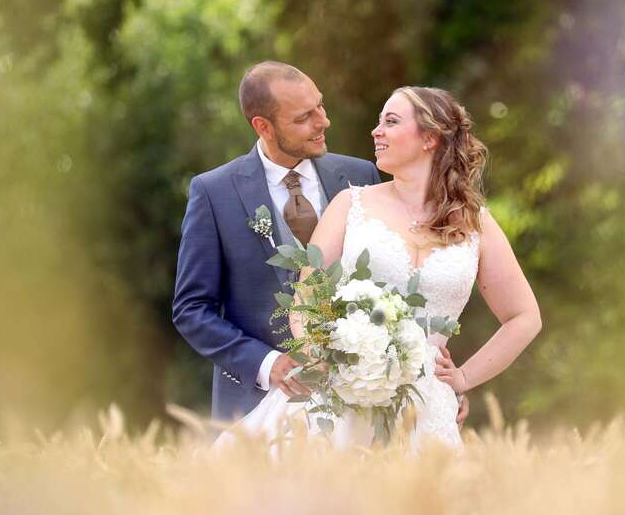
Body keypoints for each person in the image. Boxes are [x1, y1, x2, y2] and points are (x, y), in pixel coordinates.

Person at [215, 85, 541, 449]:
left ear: (429, 138)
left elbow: (524, 317)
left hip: (424, 411)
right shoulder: (349, 205)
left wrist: (463, 378)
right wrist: (322, 355)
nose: (376, 131)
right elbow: (306, 301)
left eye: (391, 121)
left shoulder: (475, 224)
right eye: (378, 121)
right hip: (337, 399)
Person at [173, 62, 476, 425]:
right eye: (304, 117)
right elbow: (192, 308)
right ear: (263, 126)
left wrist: (429, 371)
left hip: (363, 401)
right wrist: (268, 365)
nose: (323, 122)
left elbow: (403, 280)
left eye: (321, 105)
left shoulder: (361, 175)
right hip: (253, 402)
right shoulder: (213, 192)